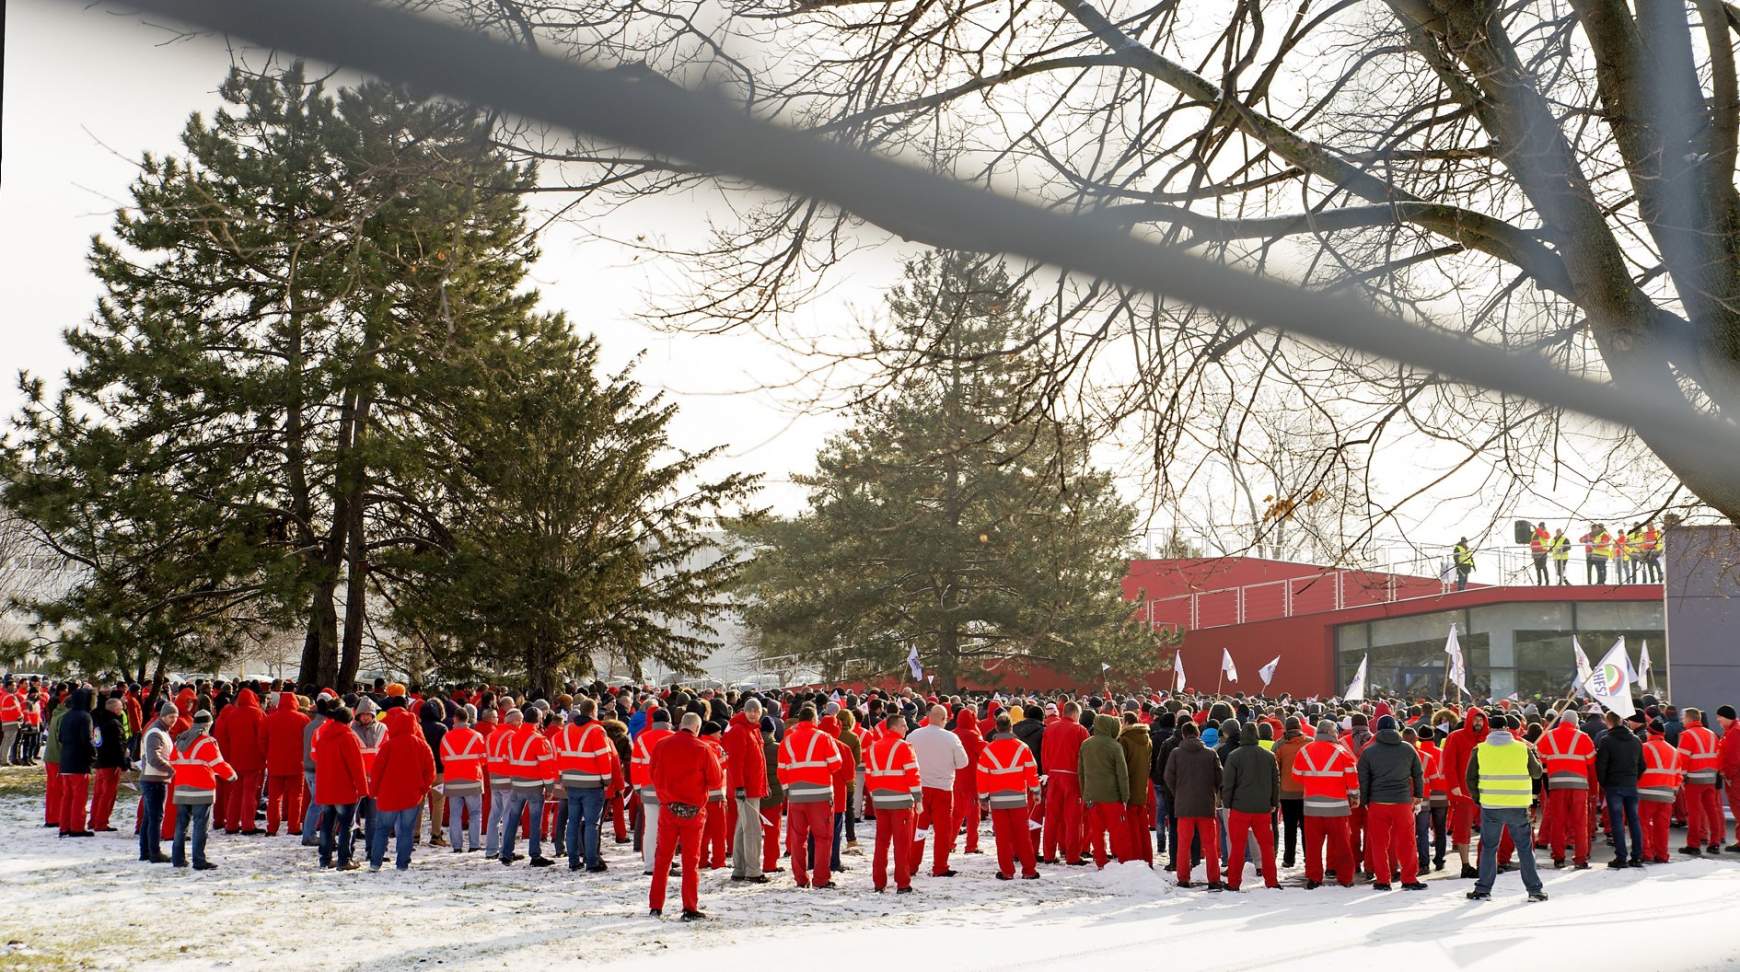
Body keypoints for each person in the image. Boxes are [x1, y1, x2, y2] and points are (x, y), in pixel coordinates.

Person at [648, 712, 722, 921]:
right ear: (697, 728)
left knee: (662, 859)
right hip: (693, 812)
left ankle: (656, 905)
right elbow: (716, 781)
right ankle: (689, 906)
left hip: (668, 808)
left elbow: (652, 773)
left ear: (680, 725)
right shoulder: (703, 748)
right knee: (691, 862)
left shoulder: (662, 745)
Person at [1465, 714, 1546, 901]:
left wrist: (1479, 798)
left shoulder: (1480, 749)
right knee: (1525, 849)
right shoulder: (1522, 748)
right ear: (1507, 728)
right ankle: (1534, 890)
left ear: (1490, 729)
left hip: (1491, 806)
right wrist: (1533, 754)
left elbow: (1470, 778)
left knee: (1489, 848)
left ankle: (1483, 889)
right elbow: (1537, 773)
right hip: (1517, 806)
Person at [1356, 714, 1425, 890]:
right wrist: (1418, 794)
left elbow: (1363, 779)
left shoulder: (1368, 751)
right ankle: (1409, 878)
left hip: (1377, 802)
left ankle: (1382, 880)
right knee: (1407, 841)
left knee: (1379, 844)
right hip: (1402, 802)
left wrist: (1365, 801)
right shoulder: (1408, 749)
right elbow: (1418, 773)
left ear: (1377, 730)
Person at [780, 704, 845, 888]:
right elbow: (836, 764)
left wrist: (788, 790)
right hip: (820, 795)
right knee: (823, 838)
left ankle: (800, 879)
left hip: (796, 797)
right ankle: (821, 878)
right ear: (815, 720)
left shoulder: (788, 740)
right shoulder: (824, 738)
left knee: (798, 839)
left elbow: (781, 770)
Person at [367, 706, 435, 871]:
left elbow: (377, 771)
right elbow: (430, 771)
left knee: (382, 830)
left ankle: (375, 863)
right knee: (406, 831)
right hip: (411, 796)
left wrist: (374, 791)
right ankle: (402, 863)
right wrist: (423, 789)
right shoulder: (422, 746)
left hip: (388, 795)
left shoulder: (388, 746)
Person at [975, 711, 1040, 881]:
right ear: (1011, 727)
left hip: (997, 801)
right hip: (1019, 798)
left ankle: (1007, 871)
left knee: (1003, 838)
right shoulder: (1022, 747)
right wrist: (1036, 791)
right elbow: (1031, 772)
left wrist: (983, 798)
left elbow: (982, 776)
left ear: (996, 727)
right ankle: (1029, 870)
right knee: (1022, 836)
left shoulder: (988, 750)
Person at [1293, 719, 1358, 889]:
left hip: (1312, 806)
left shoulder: (1304, 751)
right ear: (1332, 733)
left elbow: (1296, 776)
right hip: (1337, 807)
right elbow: (1352, 778)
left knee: (1313, 846)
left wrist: (1314, 782)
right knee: (1342, 844)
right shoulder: (1342, 752)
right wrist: (1354, 796)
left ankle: (1314, 877)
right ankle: (1345, 878)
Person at [906, 703, 968, 878]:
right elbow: (963, 762)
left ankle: (912, 864)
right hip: (943, 788)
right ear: (943, 719)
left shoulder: (913, 736)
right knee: (943, 831)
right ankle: (940, 866)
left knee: (919, 828)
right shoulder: (951, 738)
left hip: (919, 788)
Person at [170, 709, 237, 870]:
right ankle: (199, 860)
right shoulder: (207, 741)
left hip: (181, 788)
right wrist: (232, 776)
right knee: (200, 826)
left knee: (181, 825)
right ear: (208, 724)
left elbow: (172, 761)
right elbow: (218, 764)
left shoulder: (181, 739)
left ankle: (177, 859)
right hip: (202, 789)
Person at [555, 696, 614, 872]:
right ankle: (592, 861)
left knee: (572, 822)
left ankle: (573, 860)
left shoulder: (566, 730)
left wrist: (561, 776)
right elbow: (604, 757)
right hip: (592, 783)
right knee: (591, 824)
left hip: (571, 782)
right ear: (594, 712)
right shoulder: (597, 730)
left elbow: (559, 754)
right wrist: (607, 780)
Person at [866, 713, 923, 892]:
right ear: (894, 727)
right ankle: (902, 882)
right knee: (902, 844)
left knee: (881, 843)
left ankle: (879, 882)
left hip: (880, 802)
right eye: (903, 725)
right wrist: (918, 798)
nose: (906, 728)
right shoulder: (904, 747)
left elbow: (869, 775)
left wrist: (876, 795)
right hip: (901, 802)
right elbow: (913, 775)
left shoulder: (873, 748)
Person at [1221, 721, 1279, 891]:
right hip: (1262, 808)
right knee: (1266, 847)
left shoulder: (1234, 756)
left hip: (1240, 808)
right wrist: (1273, 802)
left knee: (1237, 846)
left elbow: (1228, 783)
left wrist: (1227, 803)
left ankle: (1233, 882)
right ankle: (1272, 881)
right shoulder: (1268, 756)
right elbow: (1275, 782)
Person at [1164, 720, 1222, 889]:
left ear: (1183, 734)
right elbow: (1219, 777)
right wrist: (1212, 791)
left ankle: (1183, 878)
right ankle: (1214, 879)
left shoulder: (1176, 753)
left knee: (1183, 844)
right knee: (1210, 845)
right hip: (1205, 804)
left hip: (1184, 805)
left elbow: (1168, 776)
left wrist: (1178, 792)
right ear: (1198, 733)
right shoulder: (1210, 753)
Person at [1536, 708, 1595, 869]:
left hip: (1556, 785)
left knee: (1558, 822)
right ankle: (1581, 858)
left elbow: (1541, 757)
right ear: (1576, 723)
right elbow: (1590, 762)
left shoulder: (1549, 736)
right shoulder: (1583, 737)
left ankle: (1558, 857)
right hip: (1579, 787)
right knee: (1580, 823)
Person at [315, 705, 369, 871]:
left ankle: (325, 859)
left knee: (327, 825)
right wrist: (363, 789)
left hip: (326, 787)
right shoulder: (347, 736)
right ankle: (344, 860)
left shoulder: (324, 735)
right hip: (344, 788)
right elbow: (356, 766)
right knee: (346, 826)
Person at [500, 707, 556, 867]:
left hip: (517, 785)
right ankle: (535, 854)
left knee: (512, 819)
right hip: (534, 786)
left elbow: (507, 760)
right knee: (534, 821)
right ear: (538, 721)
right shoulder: (539, 740)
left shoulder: (513, 738)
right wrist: (550, 787)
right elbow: (546, 766)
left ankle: (506, 853)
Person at [724, 697, 769, 883]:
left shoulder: (752, 731)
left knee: (743, 828)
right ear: (744, 711)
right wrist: (740, 786)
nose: (753, 713)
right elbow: (736, 763)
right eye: (750, 710)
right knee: (752, 829)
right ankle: (753, 870)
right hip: (746, 788)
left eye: (756, 710)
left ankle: (741, 867)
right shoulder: (740, 731)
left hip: (753, 787)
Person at [1077, 712, 1131, 868]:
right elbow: (1122, 773)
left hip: (1092, 794)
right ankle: (1123, 860)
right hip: (1111, 795)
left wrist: (1084, 792)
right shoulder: (1115, 746)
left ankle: (1100, 860)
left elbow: (1081, 771)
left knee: (1096, 830)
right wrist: (1125, 796)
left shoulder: (1086, 744)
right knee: (1118, 831)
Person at [1440, 707, 1489, 878]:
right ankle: (1466, 864)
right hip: (1464, 793)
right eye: (1475, 719)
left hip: (1486, 792)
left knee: (1489, 828)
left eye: (1481, 719)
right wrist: (1454, 786)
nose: (1478, 723)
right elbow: (1449, 763)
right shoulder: (1456, 737)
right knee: (1463, 829)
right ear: (1469, 720)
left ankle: (1484, 862)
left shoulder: (1489, 738)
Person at [1040, 700, 1090, 864]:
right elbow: (1085, 757)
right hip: (1072, 778)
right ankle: (1072, 856)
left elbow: (1044, 752)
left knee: (1052, 818)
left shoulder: (1050, 728)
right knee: (1073, 820)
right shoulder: (1080, 730)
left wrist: (1047, 772)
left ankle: (1048, 854)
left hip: (1053, 777)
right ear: (1075, 713)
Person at [1596, 711, 1646, 869]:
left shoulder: (1606, 741)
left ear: (1608, 722)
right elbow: (1642, 765)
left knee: (1617, 822)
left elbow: (1601, 765)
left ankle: (1621, 857)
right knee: (1634, 821)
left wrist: (1604, 783)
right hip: (1630, 784)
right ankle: (1637, 856)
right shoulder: (1636, 740)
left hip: (1614, 785)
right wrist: (1633, 778)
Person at [214, 687, 267, 835]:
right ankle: (248, 824)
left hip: (235, 759)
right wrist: (264, 756)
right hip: (253, 759)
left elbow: (227, 738)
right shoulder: (258, 714)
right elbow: (262, 737)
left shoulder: (231, 715)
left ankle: (231, 823)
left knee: (235, 793)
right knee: (249, 794)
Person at [631, 708, 675, 875]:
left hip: (648, 788)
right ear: (668, 721)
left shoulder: (641, 739)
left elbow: (635, 765)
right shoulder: (674, 737)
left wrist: (637, 787)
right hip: (671, 789)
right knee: (669, 828)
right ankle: (667, 863)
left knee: (650, 828)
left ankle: (650, 864)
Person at [1676, 707, 1723, 855]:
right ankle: (1714, 843)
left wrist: (1681, 778)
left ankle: (1693, 845)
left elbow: (1682, 759)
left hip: (1694, 779)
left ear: (1689, 719)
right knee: (1712, 811)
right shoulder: (1712, 734)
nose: (1682, 720)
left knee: (1694, 813)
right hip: (1710, 778)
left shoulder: (1687, 735)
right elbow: (1717, 755)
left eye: (1683, 718)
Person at [439, 706, 486, 852]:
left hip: (452, 781)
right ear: (469, 719)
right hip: (472, 778)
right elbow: (484, 759)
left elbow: (443, 760)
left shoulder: (446, 737)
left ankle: (457, 846)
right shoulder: (477, 736)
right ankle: (474, 845)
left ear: (455, 719)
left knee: (455, 815)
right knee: (475, 814)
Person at [136, 701, 178, 863]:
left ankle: (146, 851)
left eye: (175, 716)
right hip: (154, 779)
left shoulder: (161, 731)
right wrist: (171, 769)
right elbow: (154, 758)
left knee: (149, 817)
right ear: (163, 716)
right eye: (170, 716)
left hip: (155, 778)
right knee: (155, 818)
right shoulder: (156, 733)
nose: (173, 720)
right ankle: (154, 852)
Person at [263, 691, 308, 838]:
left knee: (274, 798)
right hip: (297, 763)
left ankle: (272, 827)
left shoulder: (270, 719)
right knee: (296, 796)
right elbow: (307, 742)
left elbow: (262, 741)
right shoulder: (303, 719)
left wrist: (267, 755)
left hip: (275, 763)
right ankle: (293, 826)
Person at [1638, 719, 1683, 864]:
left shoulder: (1644, 748)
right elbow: (1678, 774)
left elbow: (1637, 770)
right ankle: (1662, 855)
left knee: (1642, 824)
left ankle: (1646, 853)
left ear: (1650, 732)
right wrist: (1673, 792)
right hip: (1667, 795)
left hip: (1646, 793)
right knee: (1662, 828)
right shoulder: (1674, 750)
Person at [55, 687, 96, 838]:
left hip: (65, 759)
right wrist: (93, 756)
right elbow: (87, 739)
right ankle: (77, 827)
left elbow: (60, 737)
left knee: (67, 796)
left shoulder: (66, 716)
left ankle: (64, 826)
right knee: (79, 797)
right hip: (79, 760)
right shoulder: (85, 716)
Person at [1117, 712, 1154, 865]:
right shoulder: (1147, 739)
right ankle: (1147, 857)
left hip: (1129, 787)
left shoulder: (1124, 740)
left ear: (1125, 722)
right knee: (1143, 826)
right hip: (1142, 786)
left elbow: (1121, 766)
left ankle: (1136, 858)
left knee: (1131, 827)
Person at [1272, 716, 1307, 868]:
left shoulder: (1279, 745)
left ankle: (1288, 858)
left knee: (1289, 826)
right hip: (1307, 791)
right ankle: (1309, 856)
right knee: (1307, 827)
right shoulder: (1309, 743)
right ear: (1300, 727)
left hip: (1286, 792)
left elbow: (1274, 768)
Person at [90, 697, 128, 832]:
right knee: (108, 794)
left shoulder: (97, 722)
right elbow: (119, 745)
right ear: (115, 709)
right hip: (111, 762)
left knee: (99, 793)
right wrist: (122, 763)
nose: (122, 710)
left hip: (100, 761)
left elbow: (96, 741)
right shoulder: (114, 723)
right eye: (120, 708)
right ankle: (101, 822)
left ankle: (93, 820)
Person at [417, 699, 449, 847]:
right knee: (438, 803)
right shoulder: (442, 728)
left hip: (421, 772)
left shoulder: (417, 727)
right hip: (439, 771)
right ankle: (436, 834)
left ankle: (415, 834)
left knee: (418, 803)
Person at [1718, 704, 1740, 852]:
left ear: (1726, 717)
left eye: (1719, 717)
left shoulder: (1734, 733)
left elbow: (1733, 758)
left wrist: (1729, 775)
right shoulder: (1731, 731)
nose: (1718, 719)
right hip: (1734, 776)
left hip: (1736, 777)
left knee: (1738, 807)